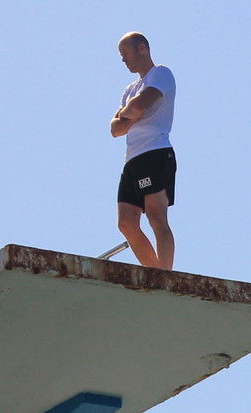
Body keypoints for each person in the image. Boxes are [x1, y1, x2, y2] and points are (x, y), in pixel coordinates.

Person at [110, 31, 177, 270]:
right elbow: (115, 128)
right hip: (132, 160)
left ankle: (165, 276)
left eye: (126, 53)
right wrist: (130, 113)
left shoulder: (161, 73)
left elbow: (140, 106)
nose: (123, 59)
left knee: (156, 216)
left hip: (155, 152)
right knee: (126, 223)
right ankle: (155, 272)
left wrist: (129, 114)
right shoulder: (130, 88)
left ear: (142, 48)